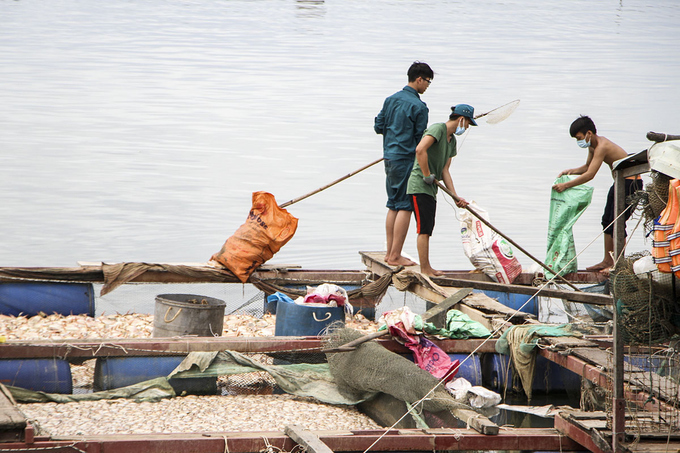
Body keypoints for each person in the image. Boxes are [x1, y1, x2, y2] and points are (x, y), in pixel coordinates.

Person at [553, 115, 643, 271]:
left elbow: (590, 175)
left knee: (617, 222)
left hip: (631, 184)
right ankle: (607, 261)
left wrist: (566, 185)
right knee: (606, 221)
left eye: (579, 138)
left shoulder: (602, 146)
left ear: (589, 133)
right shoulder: (592, 146)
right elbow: (587, 167)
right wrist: (571, 171)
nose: (578, 142)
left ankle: (617, 263)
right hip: (619, 183)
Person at [374, 61, 434, 266]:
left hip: (389, 157)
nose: (427, 85)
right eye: (427, 81)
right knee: (406, 206)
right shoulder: (419, 106)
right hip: (406, 159)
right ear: (419, 79)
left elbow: (378, 126)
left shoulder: (390, 100)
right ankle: (395, 255)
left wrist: (393, 134)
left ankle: (390, 253)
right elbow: (421, 140)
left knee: (393, 205)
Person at [406, 104, 475, 277]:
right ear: (461, 119)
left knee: (428, 228)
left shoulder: (452, 141)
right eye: (467, 124)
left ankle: (427, 267)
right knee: (424, 229)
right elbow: (420, 149)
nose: (466, 128)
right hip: (420, 185)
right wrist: (427, 174)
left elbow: (445, 171)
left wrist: (455, 197)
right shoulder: (438, 128)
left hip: (431, 189)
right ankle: (425, 269)